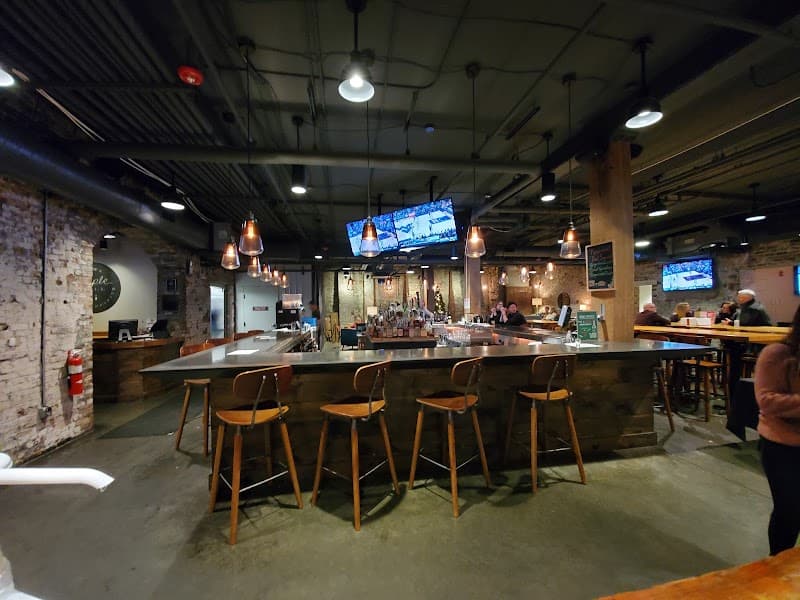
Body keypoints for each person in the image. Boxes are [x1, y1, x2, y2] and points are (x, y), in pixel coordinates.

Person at [755, 302, 800, 555]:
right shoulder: (778, 354)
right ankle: (777, 568)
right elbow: (767, 400)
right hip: (783, 444)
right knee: (789, 512)